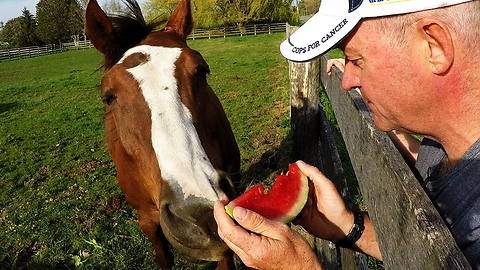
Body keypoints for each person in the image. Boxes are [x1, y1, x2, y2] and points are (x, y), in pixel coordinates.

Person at [213, 0, 480, 268]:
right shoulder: (442, 139)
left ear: (434, 46)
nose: (347, 81)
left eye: (355, 59)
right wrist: (349, 226)